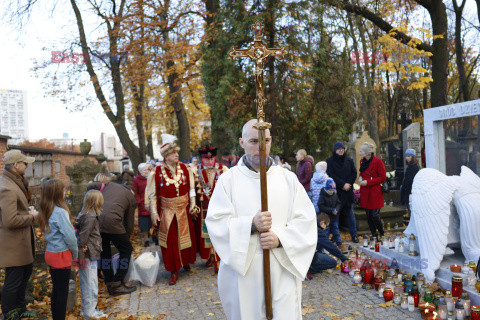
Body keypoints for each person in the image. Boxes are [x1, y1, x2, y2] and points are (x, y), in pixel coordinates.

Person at [206, 119, 317, 320]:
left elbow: (306, 220)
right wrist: (250, 225)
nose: (260, 147)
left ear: (271, 140)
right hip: (244, 275)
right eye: (253, 141)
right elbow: (216, 223)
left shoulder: (288, 179)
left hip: (281, 269)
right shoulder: (227, 181)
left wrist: (280, 238)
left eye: (265, 141)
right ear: (241, 143)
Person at [145, 134, 197, 285]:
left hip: (183, 210)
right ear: (166, 156)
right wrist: (154, 213)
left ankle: (185, 262)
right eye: (173, 153)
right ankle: (173, 270)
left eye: (177, 152)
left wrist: (193, 205)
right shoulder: (156, 173)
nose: (177, 155)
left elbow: (191, 189)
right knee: (171, 241)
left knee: (186, 238)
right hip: (167, 212)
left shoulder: (186, 169)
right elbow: (153, 196)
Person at [0, 150, 38, 320]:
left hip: (22, 241)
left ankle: (21, 310)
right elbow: (10, 221)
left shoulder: (15, 181)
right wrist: (32, 217)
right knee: (13, 281)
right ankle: (9, 314)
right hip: (14, 244)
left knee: (24, 276)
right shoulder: (7, 187)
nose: (27, 166)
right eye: (25, 163)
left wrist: (28, 211)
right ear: (16, 165)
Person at [87, 173, 137, 296]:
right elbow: (129, 222)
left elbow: (93, 184)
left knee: (105, 252)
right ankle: (117, 283)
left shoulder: (109, 185)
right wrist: (127, 236)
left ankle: (109, 281)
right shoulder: (131, 197)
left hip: (97, 219)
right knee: (126, 249)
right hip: (113, 221)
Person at [39, 179, 78, 320]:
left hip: (50, 252)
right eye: (63, 190)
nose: (64, 192)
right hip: (61, 254)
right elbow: (71, 238)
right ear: (57, 193)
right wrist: (76, 254)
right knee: (62, 292)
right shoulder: (60, 212)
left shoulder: (45, 210)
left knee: (56, 290)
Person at [194, 146, 228, 272]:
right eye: (206, 159)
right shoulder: (195, 171)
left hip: (220, 208)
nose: (209, 161)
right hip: (204, 208)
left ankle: (219, 258)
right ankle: (210, 256)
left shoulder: (223, 169)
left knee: (220, 232)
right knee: (207, 234)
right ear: (201, 159)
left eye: (211, 158)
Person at [74, 190, 107, 320]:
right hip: (88, 253)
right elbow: (83, 235)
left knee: (85, 282)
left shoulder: (84, 213)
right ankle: (90, 312)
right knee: (91, 282)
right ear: (97, 201)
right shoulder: (91, 216)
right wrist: (82, 245)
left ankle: (86, 309)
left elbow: (78, 230)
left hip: (85, 253)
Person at [326, 142, 359, 243]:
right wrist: (342, 184)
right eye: (338, 149)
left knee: (351, 214)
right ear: (335, 150)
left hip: (348, 192)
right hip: (337, 192)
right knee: (336, 215)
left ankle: (354, 235)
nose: (341, 150)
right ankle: (336, 236)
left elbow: (354, 173)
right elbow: (331, 175)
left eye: (342, 149)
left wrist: (348, 183)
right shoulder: (330, 161)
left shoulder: (349, 160)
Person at [358, 142, 386, 240]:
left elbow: (382, 177)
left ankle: (381, 232)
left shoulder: (378, 161)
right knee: (369, 216)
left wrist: (368, 182)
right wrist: (360, 178)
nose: (360, 153)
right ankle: (374, 234)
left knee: (374, 215)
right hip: (365, 192)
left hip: (375, 192)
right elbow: (361, 173)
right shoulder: (362, 161)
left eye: (361, 151)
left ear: (367, 153)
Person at [308, 213, 348, 279]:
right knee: (333, 263)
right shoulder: (318, 231)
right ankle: (311, 268)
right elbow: (331, 247)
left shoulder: (311, 225)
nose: (325, 229)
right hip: (310, 256)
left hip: (304, 253)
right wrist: (343, 258)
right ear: (322, 223)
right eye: (326, 226)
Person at [317, 178, 344, 251]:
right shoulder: (322, 196)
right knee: (325, 233)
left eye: (333, 190)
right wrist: (331, 210)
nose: (332, 192)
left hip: (334, 217)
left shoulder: (334, 194)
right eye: (330, 190)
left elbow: (338, 203)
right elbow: (321, 206)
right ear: (327, 189)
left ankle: (339, 244)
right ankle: (323, 246)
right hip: (326, 218)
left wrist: (337, 209)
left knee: (336, 231)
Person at [133, 163, 151, 247]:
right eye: (144, 170)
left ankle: (155, 236)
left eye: (147, 169)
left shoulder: (151, 177)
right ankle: (146, 238)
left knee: (153, 220)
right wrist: (139, 201)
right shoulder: (136, 179)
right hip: (142, 202)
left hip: (152, 201)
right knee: (145, 221)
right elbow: (135, 192)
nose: (146, 171)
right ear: (140, 171)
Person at [400, 149, 420, 218]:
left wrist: (404, 189)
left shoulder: (413, 167)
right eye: (406, 156)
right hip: (409, 191)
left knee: (411, 211)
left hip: (410, 192)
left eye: (409, 156)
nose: (407, 158)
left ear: (412, 157)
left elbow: (409, 180)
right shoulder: (412, 166)